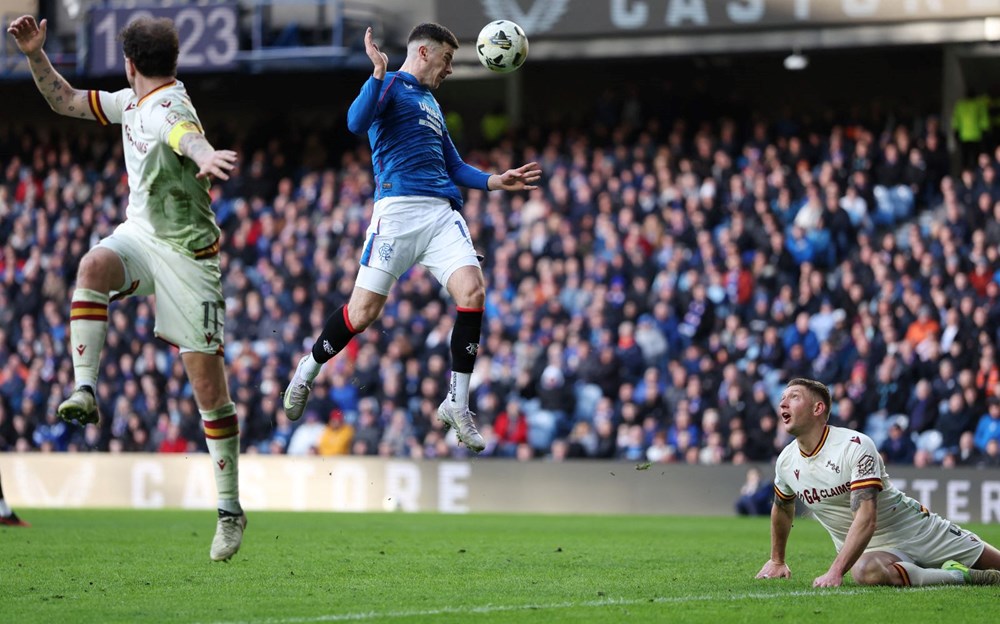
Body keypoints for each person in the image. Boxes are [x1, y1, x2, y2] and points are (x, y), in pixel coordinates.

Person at [7, 15, 245, 560]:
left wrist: (204, 154)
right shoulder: (131, 103)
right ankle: (85, 390)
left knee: (210, 394)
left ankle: (230, 509)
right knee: (93, 266)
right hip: (141, 236)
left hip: (189, 259)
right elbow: (66, 100)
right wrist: (35, 55)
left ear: (129, 63)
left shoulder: (166, 107)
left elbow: (182, 133)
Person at [282, 24, 541, 453]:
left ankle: (456, 402)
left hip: (440, 214)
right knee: (362, 314)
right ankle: (307, 369)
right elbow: (354, 122)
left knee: (473, 291)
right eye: (447, 59)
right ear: (424, 52)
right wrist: (376, 72)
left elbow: (453, 166)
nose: (450, 69)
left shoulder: (431, 103)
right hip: (397, 212)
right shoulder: (389, 86)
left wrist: (496, 180)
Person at [756, 378, 1000, 587]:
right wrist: (777, 560)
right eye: (782, 398)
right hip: (870, 551)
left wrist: (835, 571)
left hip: (918, 531)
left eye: (794, 397)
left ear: (817, 408)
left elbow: (866, 518)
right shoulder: (786, 461)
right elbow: (782, 507)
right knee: (863, 572)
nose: (782, 403)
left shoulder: (854, 446)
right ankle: (959, 576)